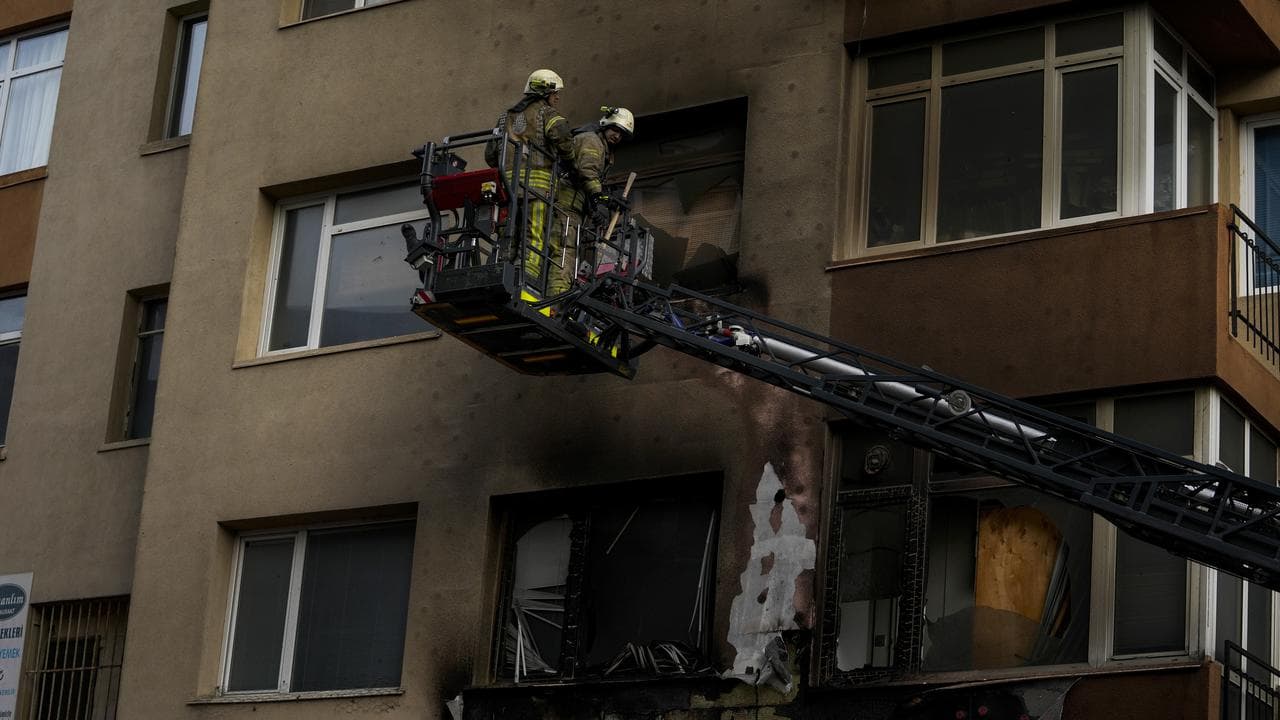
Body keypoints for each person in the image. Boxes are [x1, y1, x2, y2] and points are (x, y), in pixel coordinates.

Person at [484, 69, 576, 295]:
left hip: (508, 189)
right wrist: (569, 163)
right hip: (538, 188)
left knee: (508, 237)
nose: (557, 98)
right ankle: (527, 284)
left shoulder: (505, 117)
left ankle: (501, 276)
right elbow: (565, 142)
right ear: (545, 92)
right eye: (555, 93)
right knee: (533, 237)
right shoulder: (548, 114)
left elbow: (490, 154)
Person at [559, 106, 635, 287]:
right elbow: (587, 172)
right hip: (565, 203)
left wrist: (595, 212)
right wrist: (602, 197)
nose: (617, 136)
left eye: (621, 134)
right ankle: (558, 296)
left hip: (573, 204)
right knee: (564, 252)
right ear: (605, 125)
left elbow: (586, 187)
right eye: (615, 130)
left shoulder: (604, 149)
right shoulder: (592, 141)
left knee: (568, 251)